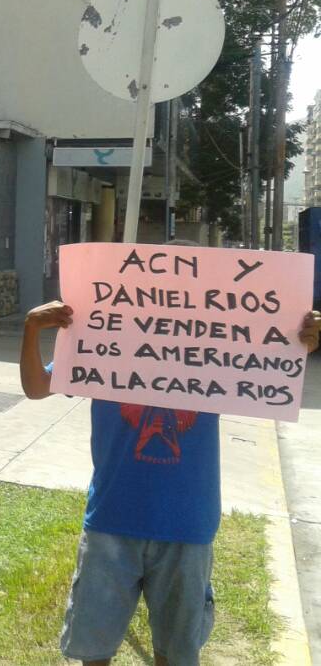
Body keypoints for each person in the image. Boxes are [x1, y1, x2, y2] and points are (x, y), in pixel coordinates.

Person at [20, 284, 321, 666]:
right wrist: (31, 328)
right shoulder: (104, 346)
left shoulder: (213, 355)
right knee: (94, 653)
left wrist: (293, 348)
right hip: (113, 520)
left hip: (186, 526)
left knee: (177, 654)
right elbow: (35, 387)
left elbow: (265, 366)